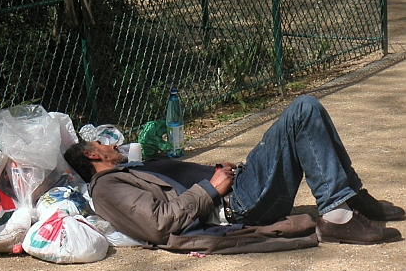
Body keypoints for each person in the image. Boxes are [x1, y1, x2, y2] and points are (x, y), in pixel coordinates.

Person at [64, 95, 404, 250]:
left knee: (308, 109)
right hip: (233, 206)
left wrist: (213, 173)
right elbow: (156, 224)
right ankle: (338, 217)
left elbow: (170, 184)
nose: (109, 142)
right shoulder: (105, 189)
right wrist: (210, 188)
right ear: (93, 154)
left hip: (237, 188)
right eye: (100, 143)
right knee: (303, 110)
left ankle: (352, 196)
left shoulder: (127, 168)